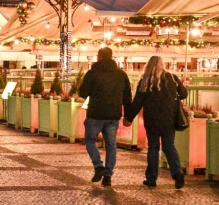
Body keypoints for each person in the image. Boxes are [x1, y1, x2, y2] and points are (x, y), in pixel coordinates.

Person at [125, 56, 187, 189]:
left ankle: (151, 178)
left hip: (152, 119)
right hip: (169, 119)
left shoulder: (145, 81)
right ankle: (177, 173)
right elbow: (184, 94)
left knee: (153, 147)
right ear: (162, 65)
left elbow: (137, 103)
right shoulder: (172, 78)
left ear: (148, 66)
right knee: (169, 146)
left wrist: (128, 118)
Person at [77, 47, 132, 188]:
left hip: (95, 114)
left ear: (99, 57)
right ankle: (108, 175)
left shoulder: (92, 73)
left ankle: (98, 166)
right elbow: (127, 97)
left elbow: (83, 93)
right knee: (111, 146)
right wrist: (128, 116)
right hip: (113, 115)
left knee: (90, 140)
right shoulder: (121, 74)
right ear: (112, 56)